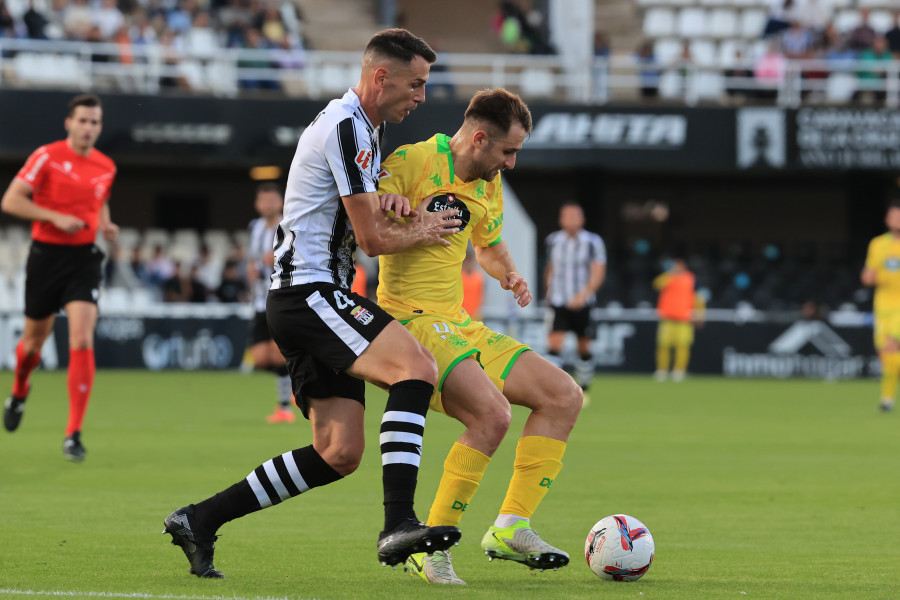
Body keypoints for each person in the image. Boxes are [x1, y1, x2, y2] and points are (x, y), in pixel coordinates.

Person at [162, 28, 463, 579]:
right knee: (416, 368)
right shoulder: (347, 127)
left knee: (338, 451)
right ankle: (399, 521)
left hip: (305, 296)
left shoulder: (360, 126)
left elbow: (354, 212)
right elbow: (370, 240)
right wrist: (421, 227)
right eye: (416, 84)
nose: (421, 97)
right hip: (312, 291)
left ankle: (199, 519)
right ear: (381, 76)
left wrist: (387, 200)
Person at [376, 88, 583, 585]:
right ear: (479, 138)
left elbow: (486, 242)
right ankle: (431, 545)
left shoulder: (486, 184)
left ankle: (511, 526)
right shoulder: (412, 161)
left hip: (457, 320)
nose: (511, 163)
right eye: (508, 151)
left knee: (563, 396)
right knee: (492, 415)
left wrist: (508, 272)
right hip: (407, 322)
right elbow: (360, 221)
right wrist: (387, 206)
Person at [1, 93, 118, 462]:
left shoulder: (105, 166)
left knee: (82, 337)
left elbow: (98, 200)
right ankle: (20, 390)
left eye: (95, 122)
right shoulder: (47, 156)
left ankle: (73, 434)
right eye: (82, 120)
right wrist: (53, 216)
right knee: (33, 345)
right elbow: (11, 201)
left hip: (84, 260)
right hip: (46, 258)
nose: (88, 128)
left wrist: (105, 224)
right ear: (69, 123)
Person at [544, 201, 606, 400]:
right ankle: (555, 390)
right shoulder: (553, 240)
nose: (570, 219)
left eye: (574, 216)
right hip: (558, 300)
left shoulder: (593, 242)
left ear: (582, 219)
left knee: (583, 346)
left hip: (583, 302)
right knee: (554, 344)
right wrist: (548, 291)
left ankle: (585, 387)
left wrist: (584, 294)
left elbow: (598, 271)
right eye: (567, 216)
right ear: (561, 219)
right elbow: (550, 268)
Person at [245, 182, 294, 423]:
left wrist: (275, 258)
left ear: (281, 202)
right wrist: (250, 273)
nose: (268, 205)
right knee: (261, 358)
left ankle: (284, 407)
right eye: (263, 201)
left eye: (272, 200)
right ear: (257, 204)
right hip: (257, 301)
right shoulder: (254, 228)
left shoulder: (288, 225)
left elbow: (297, 255)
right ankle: (298, 377)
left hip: (280, 296)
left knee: (278, 355)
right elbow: (252, 259)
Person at [861, 200, 900, 412]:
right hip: (882, 307)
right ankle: (887, 398)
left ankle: (886, 400)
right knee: (886, 356)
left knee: (891, 347)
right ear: (887, 219)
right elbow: (868, 275)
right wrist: (869, 277)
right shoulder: (877, 244)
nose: (897, 220)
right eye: (894, 216)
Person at [653, 257, 704, 382]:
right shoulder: (668, 277)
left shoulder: (691, 278)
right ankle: (662, 370)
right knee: (663, 346)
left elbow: (697, 296)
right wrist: (671, 274)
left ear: (683, 265)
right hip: (668, 318)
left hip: (684, 319)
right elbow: (657, 284)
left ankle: (679, 371)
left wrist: (700, 314)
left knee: (683, 346)